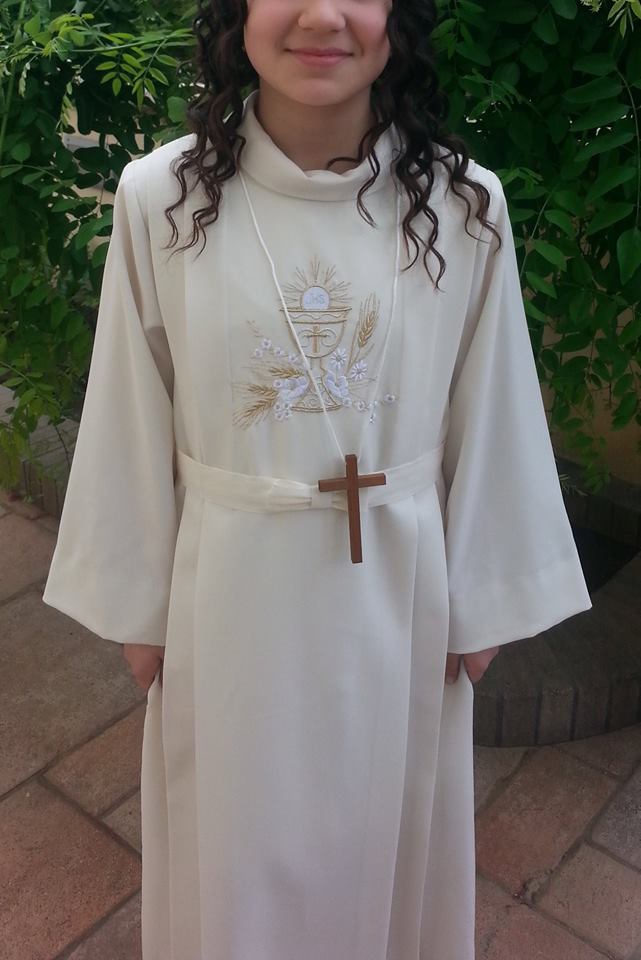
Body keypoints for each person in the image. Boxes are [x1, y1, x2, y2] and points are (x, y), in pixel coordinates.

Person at [42, 1, 592, 957]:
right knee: (234, 863)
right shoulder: (160, 197)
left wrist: (486, 601)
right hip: (229, 603)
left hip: (400, 600)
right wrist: (138, 607)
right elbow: (132, 400)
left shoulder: (464, 205)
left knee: (383, 851)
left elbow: (492, 399)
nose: (322, 15)